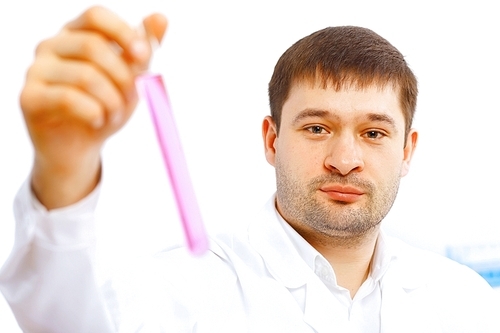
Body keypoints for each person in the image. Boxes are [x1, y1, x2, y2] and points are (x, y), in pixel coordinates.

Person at [0, 6, 498, 333]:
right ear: (271, 139)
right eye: (318, 128)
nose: (344, 160)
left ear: (407, 151)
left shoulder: (465, 304)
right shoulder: (166, 294)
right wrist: (62, 170)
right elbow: (60, 320)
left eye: (373, 134)